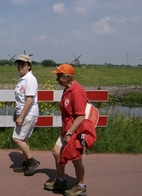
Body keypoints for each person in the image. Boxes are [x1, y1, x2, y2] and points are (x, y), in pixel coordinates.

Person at [44, 64, 87, 196]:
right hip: (66, 130)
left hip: (74, 131)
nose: (57, 79)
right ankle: (61, 181)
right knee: (56, 152)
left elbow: (80, 116)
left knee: (76, 159)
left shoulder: (77, 92)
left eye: (59, 76)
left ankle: (81, 186)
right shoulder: (67, 90)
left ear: (68, 77)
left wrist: (70, 133)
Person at [12, 54, 40, 176]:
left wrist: (21, 116)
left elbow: (29, 99)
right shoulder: (22, 78)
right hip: (23, 112)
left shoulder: (30, 79)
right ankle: (26, 163)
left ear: (28, 66)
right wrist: (16, 113)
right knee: (24, 139)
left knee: (17, 138)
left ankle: (31, 161)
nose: (20, 66)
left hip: (28, 113)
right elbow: (20, 99)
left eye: (23, 64)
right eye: (19, 64)